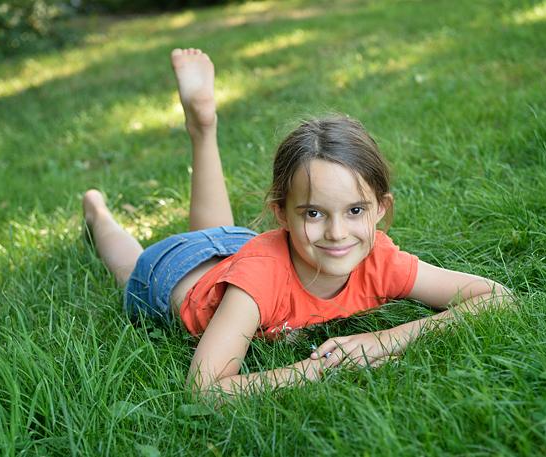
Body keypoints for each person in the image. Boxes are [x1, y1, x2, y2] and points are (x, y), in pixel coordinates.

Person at [83, 48, 514, 396]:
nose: (337, 233)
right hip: (171, 274)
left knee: (214, 231)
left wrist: (384, 339)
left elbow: (496, 297)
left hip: (236, 246)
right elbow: (207, 388)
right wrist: (318, 370)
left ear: (381, 208)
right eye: (313, 213)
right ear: (282, 215)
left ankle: (204, 127)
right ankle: (97, 212)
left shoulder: (379, 260)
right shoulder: (259, 282)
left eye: (355, 211)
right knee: (127, 267)